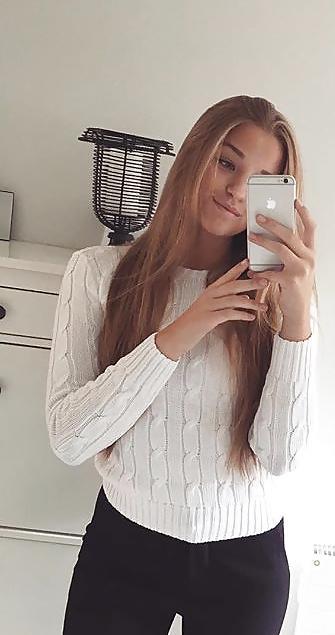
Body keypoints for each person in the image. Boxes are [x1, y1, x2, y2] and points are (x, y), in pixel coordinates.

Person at [45, 95, 319, 634]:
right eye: (226, 162)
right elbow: (70, 440)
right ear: (194, 155)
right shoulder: (97, 273)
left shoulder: (283, 298)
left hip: (246, 560)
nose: (237, 190)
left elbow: (281, 456)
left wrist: (297, 315)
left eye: (261, 181)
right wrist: (181, 331)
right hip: (125, 547)